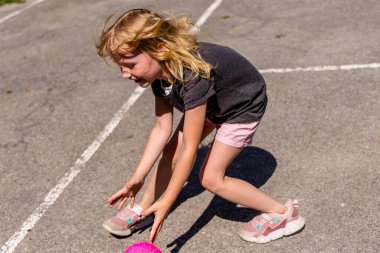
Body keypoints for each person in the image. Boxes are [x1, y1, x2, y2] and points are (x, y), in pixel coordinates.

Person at [96, 8, 305, 244]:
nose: (125, 74)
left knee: (211, 179)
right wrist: (138, 177)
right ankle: (142, 209)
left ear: (159, 49)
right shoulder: (159, 74)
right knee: (170, 153)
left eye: (131, 65)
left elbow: (190, 149)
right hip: (214, 101)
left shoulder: (193, 76)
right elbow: (161, 129)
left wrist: (168, 201)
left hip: (242, 104)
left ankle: (283, 213)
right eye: (121, 67)